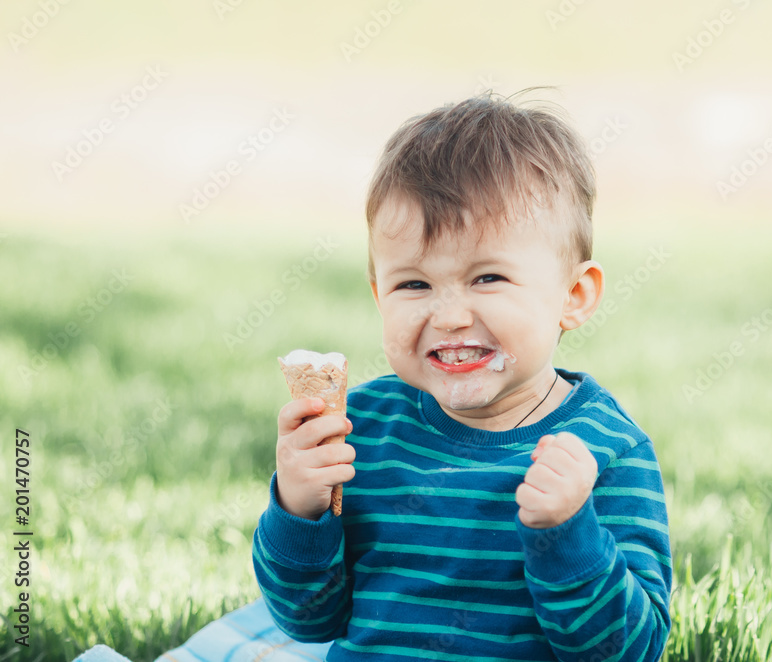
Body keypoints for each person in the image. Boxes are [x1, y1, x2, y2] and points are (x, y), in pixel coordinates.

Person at [252, 92, 672, 661]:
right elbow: (309, 620)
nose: (449, 317)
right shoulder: (360, 432)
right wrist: (298, 510)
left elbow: (631, 650)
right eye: (414, 285)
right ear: (380, 297)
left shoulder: (604, 449)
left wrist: (568, 533)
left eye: (488, 278)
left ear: (573, 296)